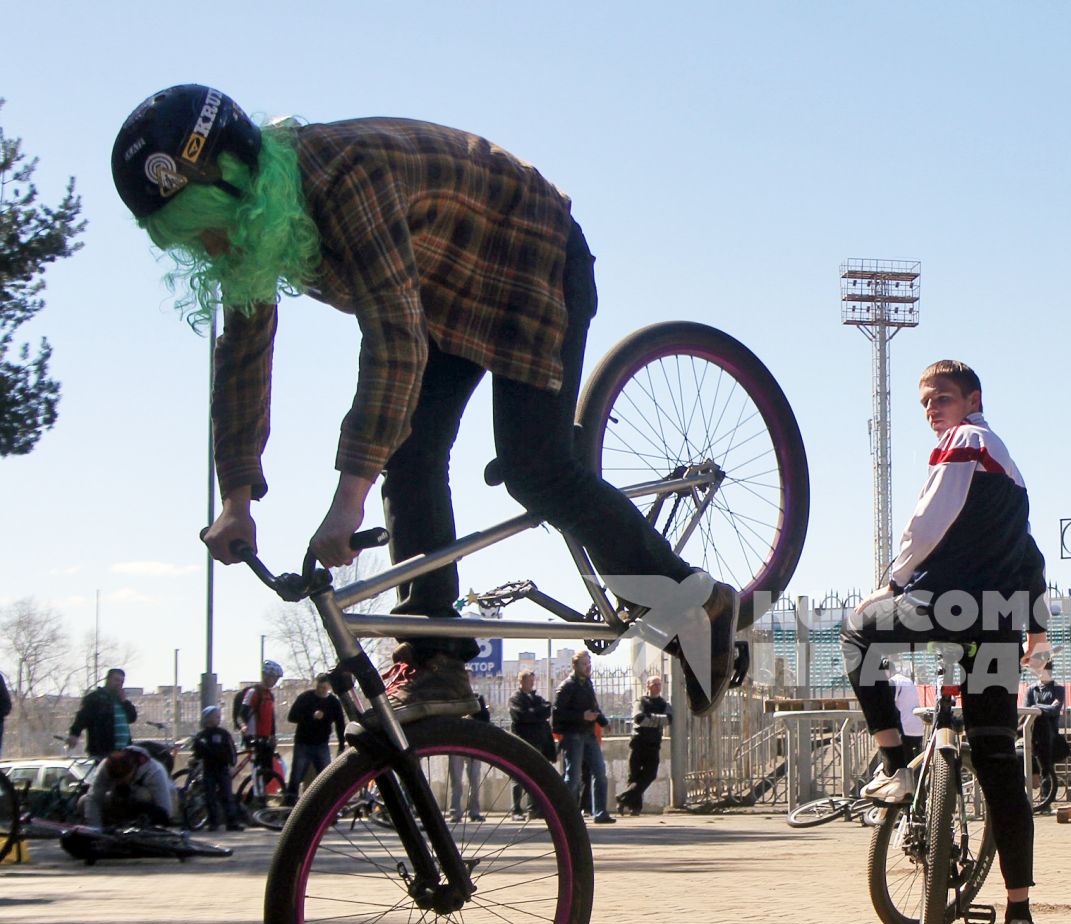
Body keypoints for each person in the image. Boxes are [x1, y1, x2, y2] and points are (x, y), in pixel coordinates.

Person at [111, 85, 741, 725]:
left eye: (207, 227)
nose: (212, 248)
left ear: (233, 180)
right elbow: (243, 359)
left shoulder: (344, 176)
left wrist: (346, 502)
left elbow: (392, 340)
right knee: (410, 453)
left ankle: (697, 604)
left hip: (531, 249)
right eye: (192, 240)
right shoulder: (257, 225)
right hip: (443, 287)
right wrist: (235, 500)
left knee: (534, 465)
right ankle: (435, 652)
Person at [841, 360, 1051, 924]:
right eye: (925, 403)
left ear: (973, 399)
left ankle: (894, 765)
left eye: (942, 397)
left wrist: (892, 581)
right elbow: (1029, 556)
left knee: (857, 632)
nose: (932, 410)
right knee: (996, 760)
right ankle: (1020, 917)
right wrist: (1036, 628)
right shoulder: (1012, 473)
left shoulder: (967, 441)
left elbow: (926, 523)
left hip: (945, 608)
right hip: (999, 625)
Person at [554, 652, 614, 824]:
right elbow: (558, 715)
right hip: (573, 736)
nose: (588, 667)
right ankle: (566, 814)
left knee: (600, 773)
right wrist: (581, 716)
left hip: (589, 735)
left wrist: (603, 722)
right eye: (584, 664)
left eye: (589, 663)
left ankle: (600, 812)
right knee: (572, 777)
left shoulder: (587, 684)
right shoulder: (567, 687)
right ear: (575, 666)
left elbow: (593, 707)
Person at [285, 673, 346, 803]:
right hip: (303, 743)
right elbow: (292, 717)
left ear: (329, 687)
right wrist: (310, 715)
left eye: (324, 688)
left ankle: (327, 804)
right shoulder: (305, 698)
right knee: (296, 775)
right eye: (319, 687)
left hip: (322, 744)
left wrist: (341, 744)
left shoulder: (333, 702)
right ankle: (290, 802)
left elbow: (340, 724)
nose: (322, 690)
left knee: (326, 776)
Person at [84, 745, 176, 829]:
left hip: (149, 809)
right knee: (83, 801)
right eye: (116, 780)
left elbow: (165, 811)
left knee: (142, 795)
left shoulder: (155, 772)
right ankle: (114, 824)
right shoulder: (105, 766)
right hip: (120, 805)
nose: (119, 782)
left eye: (123, 779)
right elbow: (93, 799)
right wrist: (95, 829)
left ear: (133, 769)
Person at [617, 674, 670, 815]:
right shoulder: (640, 701)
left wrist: (650, 718)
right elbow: (638, 718)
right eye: (654, 684)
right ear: (648, 686)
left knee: (650, 774)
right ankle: (634, 807)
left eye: (659, 684)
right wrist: (657, 720)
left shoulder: (664, 704)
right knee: (634, 775)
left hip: (653, 743)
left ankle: (623, 798)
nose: (658, 687)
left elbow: (669, 719)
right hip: (638, 741)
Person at [507, 670, 556, 819]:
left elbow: (547, 708)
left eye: (533, 681)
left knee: (536, 776)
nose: (532, 684)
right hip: (522, 742)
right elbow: (521, 716)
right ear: (521, 682)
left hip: (538, 742)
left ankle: (534, 808)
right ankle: (516, 809)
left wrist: (534, 713)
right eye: (529, 681)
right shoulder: (516, 698)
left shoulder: (536, 698)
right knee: (519, 777)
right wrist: (536, 714)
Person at [189, 705, 246, 832]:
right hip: (208, 769)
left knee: (227, 796)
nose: (218, 719)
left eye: (219, 716)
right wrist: (194, 760)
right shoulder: (201, 736)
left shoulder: (223, 733)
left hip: (222, 769)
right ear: (208, 718)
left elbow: (231, 750)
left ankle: (232, 822)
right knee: (210, 797)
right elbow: (197, 753)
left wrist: (232, 764)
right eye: (216, 716)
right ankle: (213, 822)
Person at [239, 660, 284, 805]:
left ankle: (252, 801)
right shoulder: (254, 692)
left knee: (268, 774)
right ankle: (258, 802)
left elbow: (270, 718)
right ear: (266, 676)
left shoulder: (270, 695)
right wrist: (243, 727)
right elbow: (242, 714)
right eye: (274, 678)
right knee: (258, 773)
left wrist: (273, 736)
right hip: (254, 737)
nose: (275, 681)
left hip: (266, 739)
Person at [68, 668, 137, 760]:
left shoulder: (121, 700)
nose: (119, 684)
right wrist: (74, 734)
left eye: (121, 681)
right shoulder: (95, 698)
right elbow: (82, 718)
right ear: (108, 679)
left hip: (123, 752)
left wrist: (125, 702)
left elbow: (132, 718)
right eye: (116, 680)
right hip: (103, 751)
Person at [1023, 660, 1066, 809]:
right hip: (1033, 732)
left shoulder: (1058, 689)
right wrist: (1040, 709)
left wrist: (1036, 708)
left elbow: (1055, 709)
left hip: (1049, 733)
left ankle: (1045, 795)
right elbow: (1026, 711)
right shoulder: (1031, 690)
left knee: (1045, 749)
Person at [448, 696, 491, 822]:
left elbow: (485, 718)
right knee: (456, 780)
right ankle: (455, 813)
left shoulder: (477, 698)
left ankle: (474, 812)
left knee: (475, 779)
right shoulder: (452, 699)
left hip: (473, 745)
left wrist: (472, 717)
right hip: (455, 744)